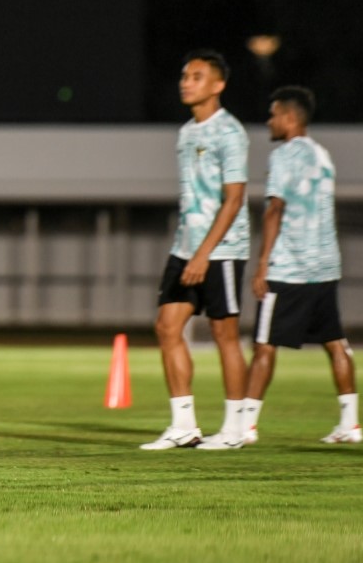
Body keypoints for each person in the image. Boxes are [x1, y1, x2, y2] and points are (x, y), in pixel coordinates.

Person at [142, 48, 251, 450]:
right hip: (185, 246)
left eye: (197, 76)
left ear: (218, 85)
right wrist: (190, 250)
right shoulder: (186, 133)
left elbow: (234, 199)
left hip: (221, 250)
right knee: (167, 328)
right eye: (185, 75)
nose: (186, 82)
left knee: (225, 334)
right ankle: (184, 425)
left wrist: (205, 253)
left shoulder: (230, 132)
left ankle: (236, 430)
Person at [241, 86, 361, 446]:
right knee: (336, 343)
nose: (269, 121)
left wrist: (262, 264)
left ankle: (244, 427)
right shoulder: (323, 156)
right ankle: (350, 424)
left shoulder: (284, 157)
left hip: (290, 267)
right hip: (324, 266)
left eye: (274, 114)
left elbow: (275, 209)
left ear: (290, 118)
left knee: (264, 345)